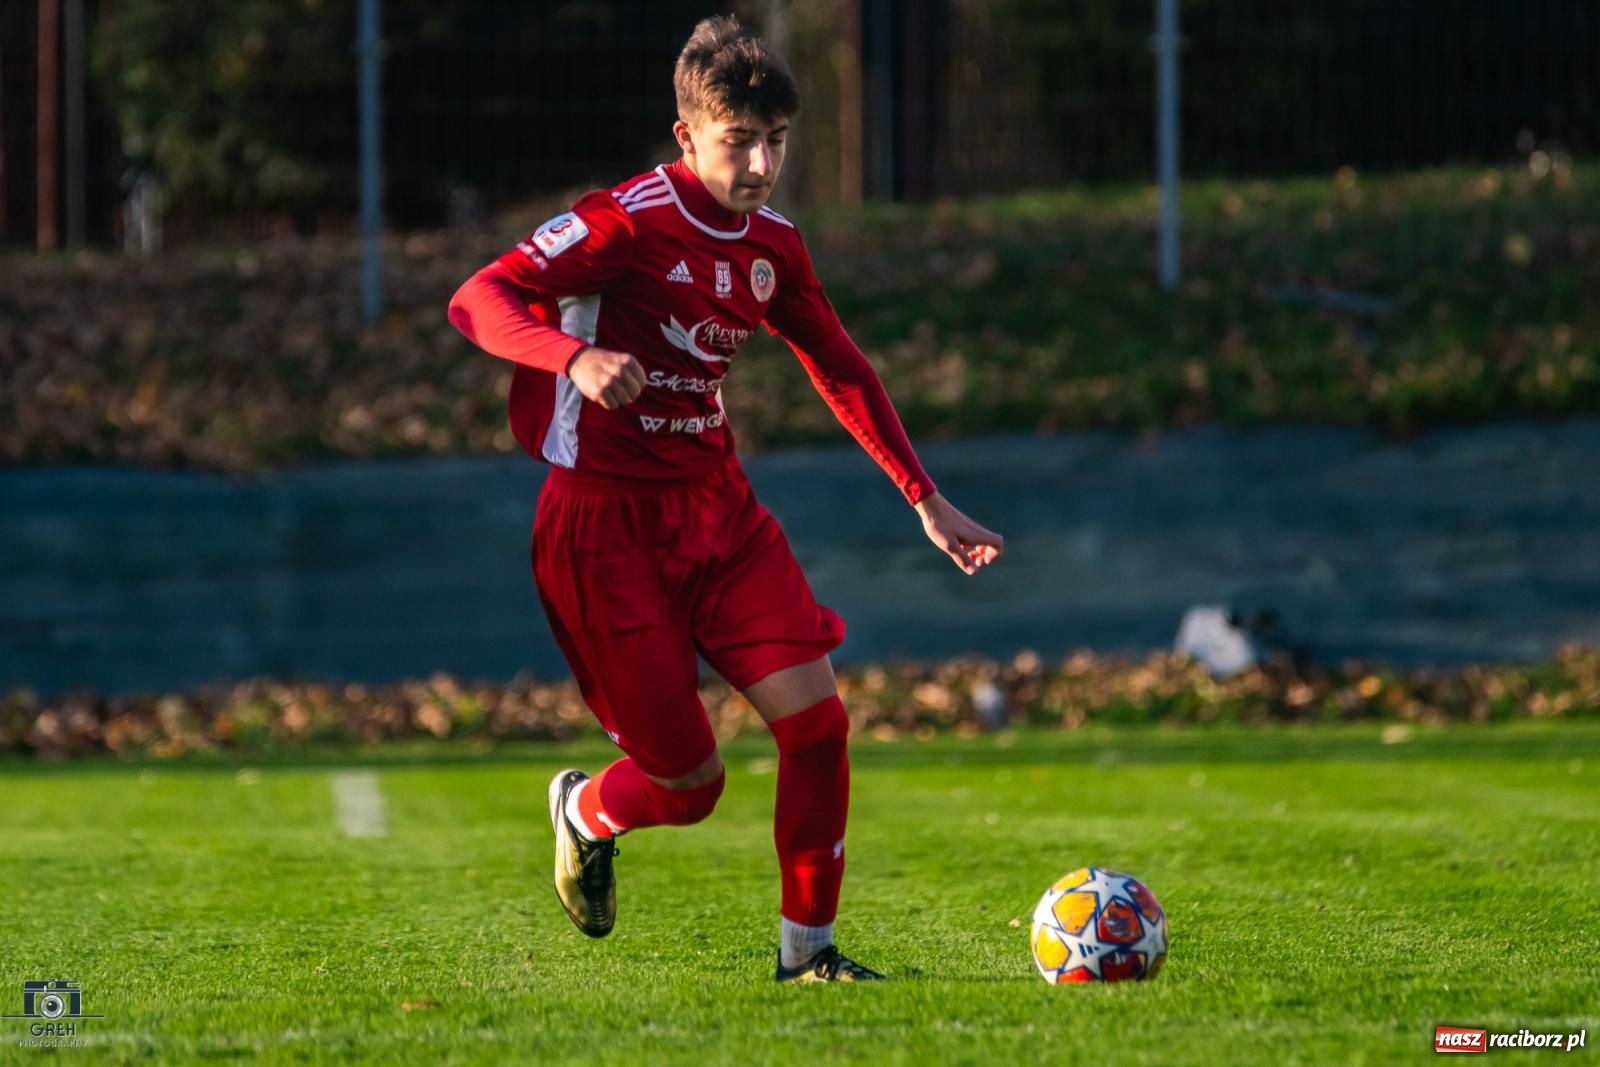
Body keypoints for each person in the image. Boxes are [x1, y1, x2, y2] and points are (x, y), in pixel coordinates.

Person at [447, 15, 1003, 983]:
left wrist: (923, 495)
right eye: (737, 140)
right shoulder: (622, 222)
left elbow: (839, 363)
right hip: (602, 529)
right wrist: (572, 357)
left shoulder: (773, 247)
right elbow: (479, 297)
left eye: (775, 141)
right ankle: (584, 811)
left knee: (819, 724)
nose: (758, 163)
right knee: (689, 784)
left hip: (718, 512)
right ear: (687, 137)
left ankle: (809, 956)